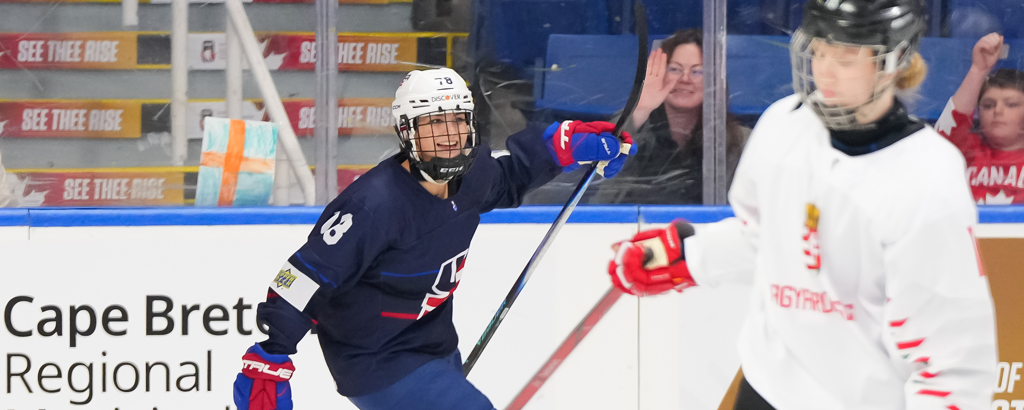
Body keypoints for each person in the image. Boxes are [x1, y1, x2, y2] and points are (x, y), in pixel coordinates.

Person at [606, 1, 998, 409]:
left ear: (894, 61)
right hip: (767, 387)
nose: (824, 70)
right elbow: (765, 237)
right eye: (818, 51)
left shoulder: (927, 176)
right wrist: (689, 255)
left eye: (845, 58)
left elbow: (953, 360)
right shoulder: (784, 124)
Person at [231, 67, 635, 410]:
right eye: (432, 123)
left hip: (435, 347)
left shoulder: (473, 173)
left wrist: (564, 147)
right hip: (375, 361)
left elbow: (509, 179)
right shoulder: (373, 205)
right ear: (406, 132)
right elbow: (304, 277)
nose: (447, 134)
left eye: (456, 120)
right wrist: (270, 353)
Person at [593, 28, 749, 205]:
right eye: (674, 69)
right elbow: (599, 172)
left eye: (697, 71)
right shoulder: (634, 123)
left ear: (715, 81)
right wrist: (641, 109)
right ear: (658, 74)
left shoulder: (741, 141)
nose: (685, 79)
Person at [936, 32, 1024, 204]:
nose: (998, 111)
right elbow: (944, 134)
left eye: (1011, 104)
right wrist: (978, 70)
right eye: (988, 105)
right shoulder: (965, 150)